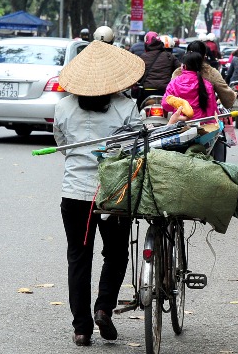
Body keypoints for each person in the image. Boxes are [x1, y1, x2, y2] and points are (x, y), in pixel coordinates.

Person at [54, 41, 184, 347]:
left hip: (73, 195)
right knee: (115, 254)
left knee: (78, 258)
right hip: (115, 194)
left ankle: (82, 328)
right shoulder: (126, 108)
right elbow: (138, 148)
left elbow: (62, 146)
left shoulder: (62, 107)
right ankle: (103, 307)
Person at [172, 40, 235, 110]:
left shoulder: (178, 72)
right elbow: (228, 99)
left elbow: (168, 100)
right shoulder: (211, 73)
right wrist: (233, 96)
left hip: (180, 116)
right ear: (205, 55)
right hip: (206, 118)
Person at [162, 50, 218, 120]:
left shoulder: (174, 83)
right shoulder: (207, 85)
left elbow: (166, 104)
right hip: (201, 125)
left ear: (184, 66)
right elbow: (212, 110)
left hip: (179, 122)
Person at [136, 31, 181, 108]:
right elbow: (179, 71)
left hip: (146, 91)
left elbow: (136, 75)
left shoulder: (142, 58)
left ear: (146, 44)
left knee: (137, 110)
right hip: (165, 92)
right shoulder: (170, 57)